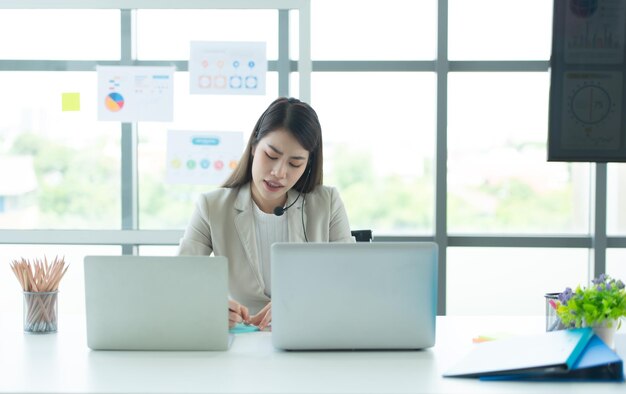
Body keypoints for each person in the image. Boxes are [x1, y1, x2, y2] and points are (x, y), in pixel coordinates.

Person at [178, 97, 354, 330]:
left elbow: (351, 281)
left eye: (295, 163)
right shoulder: (212, 207)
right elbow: (180, 284)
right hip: (242, 339)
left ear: (308, 165)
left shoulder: (327, 203)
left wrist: (302, 302)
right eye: (271, 156)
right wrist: (211, 307)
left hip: (310, 332)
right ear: (253, 147)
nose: (279, 173)